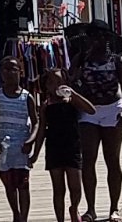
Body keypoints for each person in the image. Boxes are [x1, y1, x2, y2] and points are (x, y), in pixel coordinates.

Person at [73, 20, 122, 222]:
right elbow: (72, 84)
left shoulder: (117, 61)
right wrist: (75, 77)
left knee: (112, 160)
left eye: (96, 35)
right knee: (88, 160)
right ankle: (90, 209)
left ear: (106, 38)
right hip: (88, 111)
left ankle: (114, 208)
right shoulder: (81, 59)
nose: (92, 40)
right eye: (90, 36)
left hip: (112, 110)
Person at [33, 68, 96, 222]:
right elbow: (41, 130)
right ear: (47, 86)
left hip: (72, 147)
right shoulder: (45, 106)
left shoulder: (72, 101)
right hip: (54, 148)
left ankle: (74, 208)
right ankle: (60, 218)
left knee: (75, 186)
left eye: (60, 82)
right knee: (58, 189)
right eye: (52, 82)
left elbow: (91, 110)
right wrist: (35, 154)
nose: (56, 85)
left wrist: (74, 94)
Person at [0, 56, 38, 222]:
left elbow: (36, 122)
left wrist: (30, 140)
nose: (9, 73)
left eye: (13, 69)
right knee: (9, 184)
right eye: (5, 69)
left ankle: (23, 218)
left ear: (21, 72)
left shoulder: (27, 97)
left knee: (23, 184)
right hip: (4, 148)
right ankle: (15, 214)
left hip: (21, 148)